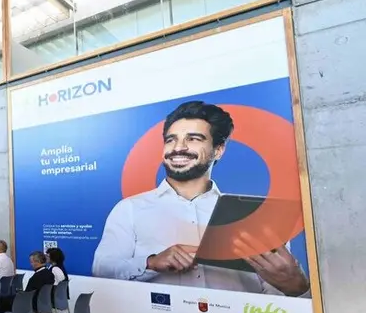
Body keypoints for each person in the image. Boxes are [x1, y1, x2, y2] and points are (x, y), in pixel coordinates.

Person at [92, 101, 310, 296]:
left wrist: (295, 285)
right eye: (171, 140)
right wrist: (151, 262)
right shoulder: (129, 209)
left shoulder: (256, 215)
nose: (178, 147)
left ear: (218, 150)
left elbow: (277, 293)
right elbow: (101, 269)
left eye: (193, 139)